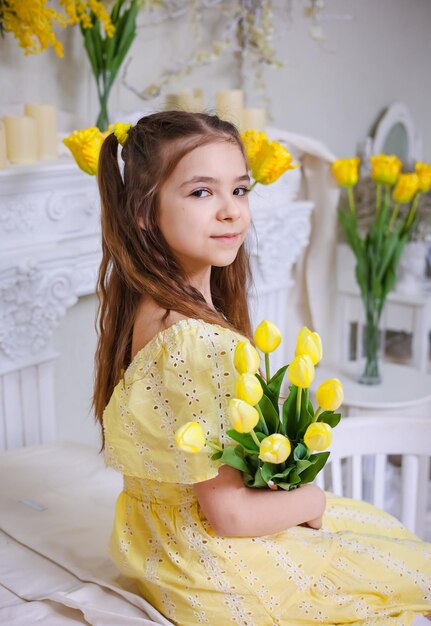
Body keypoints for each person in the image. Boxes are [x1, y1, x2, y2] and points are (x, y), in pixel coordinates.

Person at [94, 111, 431, 626]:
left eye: (241, 190)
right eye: (201, 193)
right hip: (211, 572)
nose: (231, 212)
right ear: (142, 211)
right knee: (407, 572)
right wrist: (312, 497)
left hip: (162, 552)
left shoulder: (147, 310)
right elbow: (230, 515)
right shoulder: (200, 345)